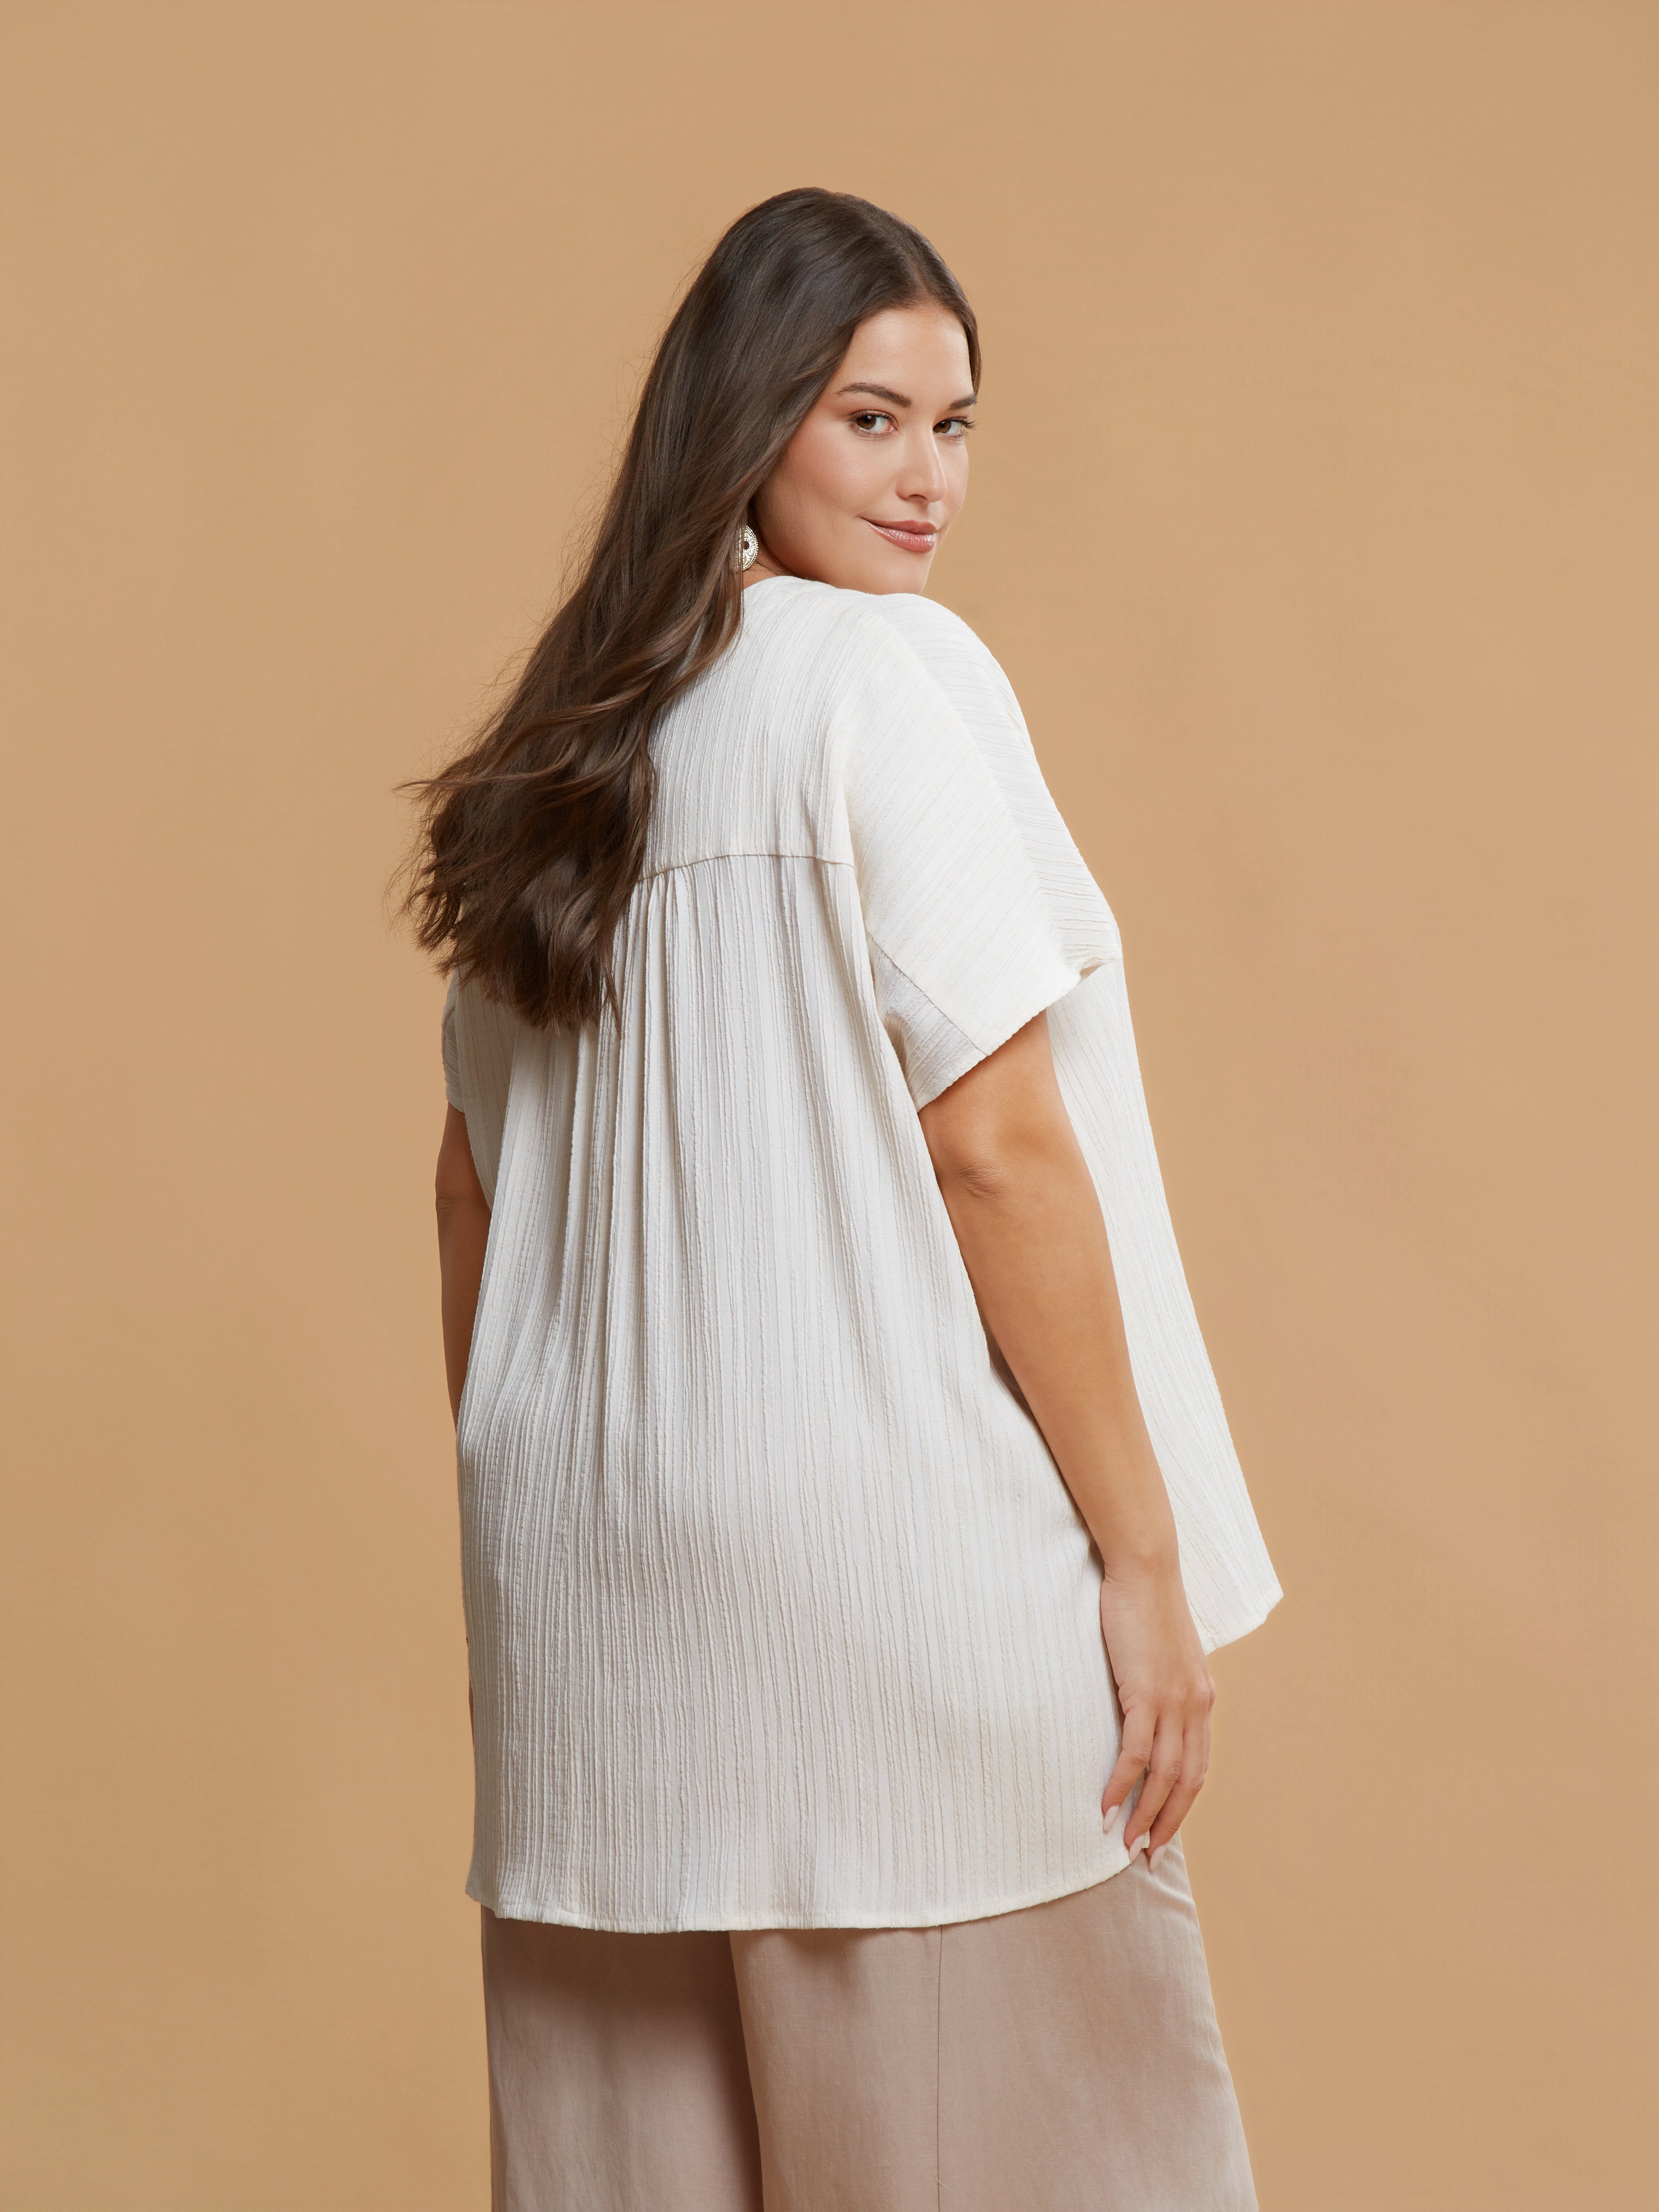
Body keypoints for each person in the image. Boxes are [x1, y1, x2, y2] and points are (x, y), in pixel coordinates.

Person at [405, 185, 1282, 2212]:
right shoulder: (883, 681)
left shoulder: (562, 758)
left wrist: (540, 1544)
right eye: (868, 419)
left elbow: (470, 1197)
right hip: (890, 1610)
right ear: (744, 421)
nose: (925, 480)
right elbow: (993, 1141)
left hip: (597, 1635)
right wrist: (1138, 1562)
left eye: (952, 425)